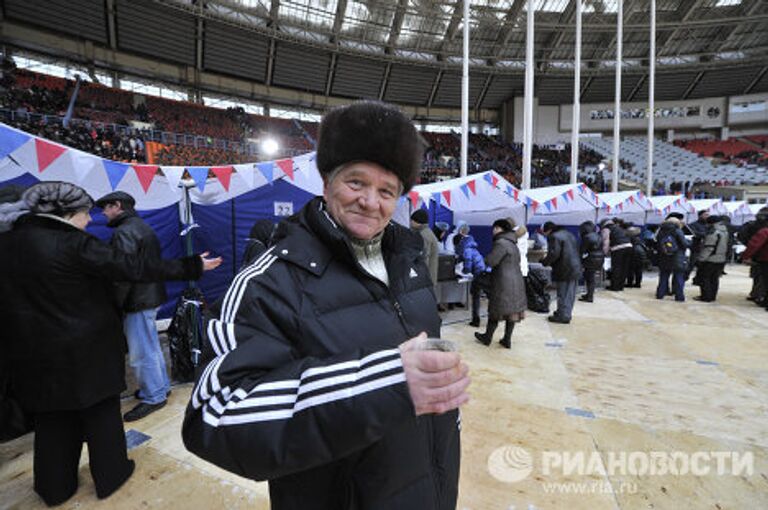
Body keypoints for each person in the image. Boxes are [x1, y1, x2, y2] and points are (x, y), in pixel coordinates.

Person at [182, 101, 470, 510]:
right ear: (326, 182)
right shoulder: (269, 280)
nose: (371, 201)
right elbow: (215, 416)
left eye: (387, 190)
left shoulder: (410, 264)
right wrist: (386, 383)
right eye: (356, 183)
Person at [0, 181, 221, 507]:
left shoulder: (8, 244)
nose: (90, 220)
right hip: (85, 348)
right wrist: (190, 266)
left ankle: (54, 487)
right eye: (85, 213)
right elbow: (133, 268)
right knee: (101, 415)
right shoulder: (72, 244)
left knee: (52, 423)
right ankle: (111, 476)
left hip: (34, 354)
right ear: (65, 214)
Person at [95, 191, 174, 422]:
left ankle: (153, 396)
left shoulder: (125, 232)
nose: (103, 213)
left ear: (117, 206)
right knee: (151, 346)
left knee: (141, 353)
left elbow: (123, 274)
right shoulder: (142, 227)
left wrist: (115, 304)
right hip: (151, 296)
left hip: (138, 299)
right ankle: (161, 387)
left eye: (106, 208)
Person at [474, 218, 526, 348]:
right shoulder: (513, 244)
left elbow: (492, 261)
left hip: (503, 281)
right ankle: (506, 339)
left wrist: (482, 259)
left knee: (496, 309)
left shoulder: (501, 243)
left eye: (495, 228)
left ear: (499, 229)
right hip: (517, 280)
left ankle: (487, 337)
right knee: (512, 310)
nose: (493, 231)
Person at [541, 221, 581, 324]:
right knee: (570, 294)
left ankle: (564, 316)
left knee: (563, 293)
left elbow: (554, 254)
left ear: (548, 230)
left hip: (565, 268)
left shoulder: (554, 236)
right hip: (575, 266)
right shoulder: (568, 234)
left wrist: (544, 262)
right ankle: (562, 312)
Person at [458, 223, 492, 327]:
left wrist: (463, 271)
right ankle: (493, 317)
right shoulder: (473, 247)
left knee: (476, 297)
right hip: (484, 272)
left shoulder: (467, 249)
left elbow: (468, 263)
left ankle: (476, 320)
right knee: (490, 296)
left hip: (478, 275)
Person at [655, 216, 690, 302]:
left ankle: (660, 294)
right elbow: (684, 244)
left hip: (664, 256)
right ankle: (679, 297)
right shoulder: (677, 231)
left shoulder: (660, 231)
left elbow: (657, 244)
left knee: (663, 276)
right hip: (677, 257)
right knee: (678, 277)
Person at [694, 215, 729, 302]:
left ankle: (706, 296)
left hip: (710, 259)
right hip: (721, 258)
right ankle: (712, 296)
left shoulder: (713, 232)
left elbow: (709, 247)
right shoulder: (724, 231)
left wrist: (701, 259)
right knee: (714, 278)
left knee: (705, 278)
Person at [742, 207, 768, 311]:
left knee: (765, 281)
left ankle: (765, 300)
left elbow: (754, 244)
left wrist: (745, 256)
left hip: (765, 259)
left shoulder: (764, 231)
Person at [410, 208, 440, 289]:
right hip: (428, 277)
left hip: (425, 279)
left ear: (417, 221)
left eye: (412, 220)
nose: (410, 223)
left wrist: (418, 277)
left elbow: (424, 258)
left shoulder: (423, 235)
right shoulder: (427, 232)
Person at [600, 218, 632, 291]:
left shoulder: (606, 229)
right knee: (624, 268)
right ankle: (621, 286)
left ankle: (615, 287)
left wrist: (604, 253)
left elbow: (606, 241)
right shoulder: (619, 228)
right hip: (629, 246)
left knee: (617, 268)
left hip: (618, 248)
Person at [578, 221, 604, 303]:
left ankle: (589, 296)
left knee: (589, 278)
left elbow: (582, 250)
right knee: (591, 277)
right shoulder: (599, 236)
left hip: (591, 259)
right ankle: (589, 294)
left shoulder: (586, 237)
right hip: (600, 258)